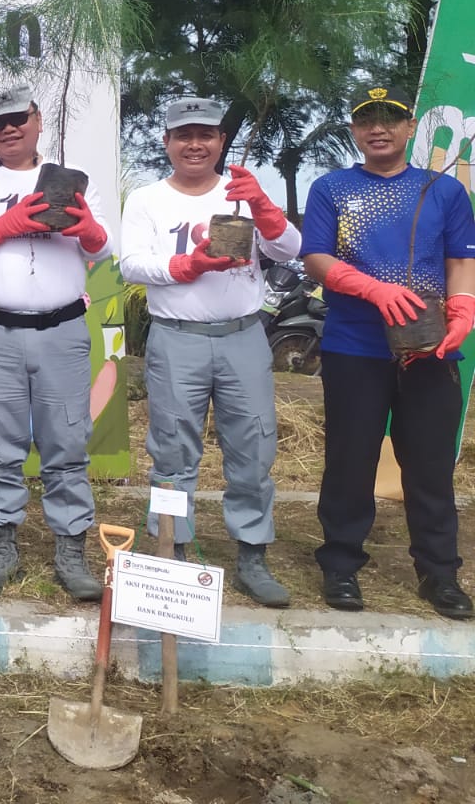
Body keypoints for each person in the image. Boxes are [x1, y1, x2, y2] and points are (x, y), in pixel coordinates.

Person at [300, 85, 475, 620]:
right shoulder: (332, 188)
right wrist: (371, 288)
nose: (378, 128)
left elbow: (460, 261)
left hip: (429, 346)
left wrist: (464, 309)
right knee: (350, 458)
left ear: (410, 126)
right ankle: (341, 562)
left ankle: (439, 571)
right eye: (366, 119)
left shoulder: (443, 191)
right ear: (354, 129)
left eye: (390, 118)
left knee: (429, 462)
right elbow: (316, 259)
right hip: (355, 345)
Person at [119, 98, 301, 607]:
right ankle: (171, 546)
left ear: (221, 141)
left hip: (243, 336)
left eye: (205, 134)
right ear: (167, 143)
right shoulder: (149, 200)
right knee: (171, 451)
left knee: (254, 447)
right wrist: (187, 267)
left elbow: (291, 249)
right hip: (177, 337)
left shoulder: (242, 191)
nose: (194, 144)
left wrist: (264, 207)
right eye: (183, 135)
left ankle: (251, 553)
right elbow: (131, 264)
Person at [0, 84, 110, 602]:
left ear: (36, 119)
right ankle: (2, 546)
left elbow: (102, 248)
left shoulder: (72, 180)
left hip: (61, 329)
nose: (8, 129)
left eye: (17, 119)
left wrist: (90, 231)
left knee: (67, 442)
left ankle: (70, 549)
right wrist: (1, 227)